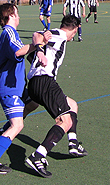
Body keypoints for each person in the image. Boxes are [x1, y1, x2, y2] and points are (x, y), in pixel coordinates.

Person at [0, 3, 50, 175]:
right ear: (11, 16)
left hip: (17, 87)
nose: (19, 16)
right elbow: (19, 51)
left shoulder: (12, 33)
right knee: (18, 125)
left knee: (34, 102)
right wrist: (37, 44)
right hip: (8, 88)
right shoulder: (9, 32)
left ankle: (4, 130)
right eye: (17, 13)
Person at [25, 14, 87, 178]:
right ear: (74, 29)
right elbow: (37, 35)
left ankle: (73, 143)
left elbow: (36, 48)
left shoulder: (57, 39)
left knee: (72, 105)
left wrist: (39, 52)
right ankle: (38, 156)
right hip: (44, 82)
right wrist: (39, 50)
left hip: (36, 85)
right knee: (64, 121)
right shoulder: (59, 35)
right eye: (76, 31)